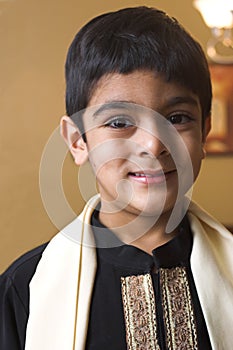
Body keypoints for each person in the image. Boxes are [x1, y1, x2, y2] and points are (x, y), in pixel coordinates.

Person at [0, 6, 233, 350]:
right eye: (120, 122)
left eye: (178, 117)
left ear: (205, 131)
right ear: (78, 141)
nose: (154, 144)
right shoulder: (24, 288)